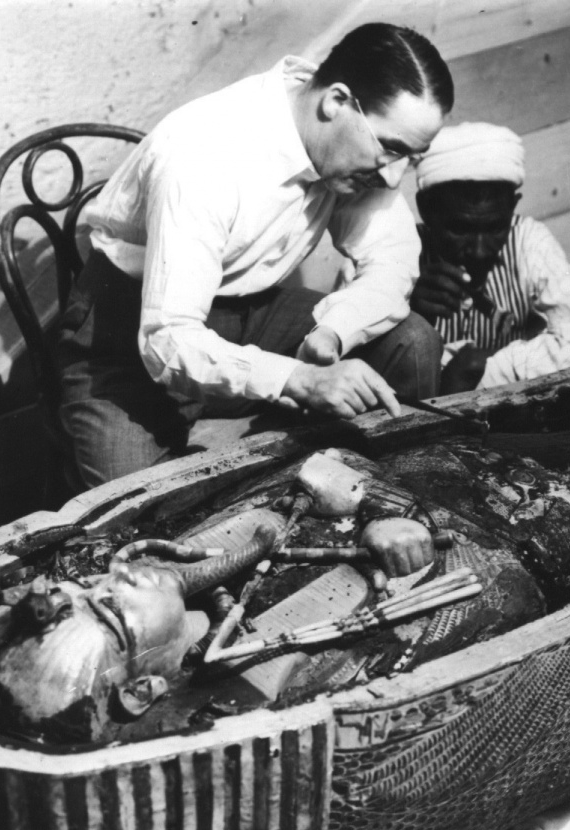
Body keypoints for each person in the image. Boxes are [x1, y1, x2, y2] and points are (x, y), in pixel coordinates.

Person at [56, 22, 453, 491]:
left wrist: (335, 329)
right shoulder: (204, 153)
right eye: (391, 149)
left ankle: (400, 496)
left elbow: (393, 259)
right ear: (336, 101)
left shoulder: (351, 144)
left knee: (411, 341)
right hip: (129, 340)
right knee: (144, 510)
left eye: (412, 157)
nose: (393, 177)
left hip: (250, 316)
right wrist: (298, 378)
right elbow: (169, 340)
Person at [411, 122, 570, 394]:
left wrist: (485, 368)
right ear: (425, 209)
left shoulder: (528, 241)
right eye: (459, 229)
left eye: (495, 228)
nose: (479, 251)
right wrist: (408, 320)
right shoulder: (397, 252)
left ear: (513, 206)